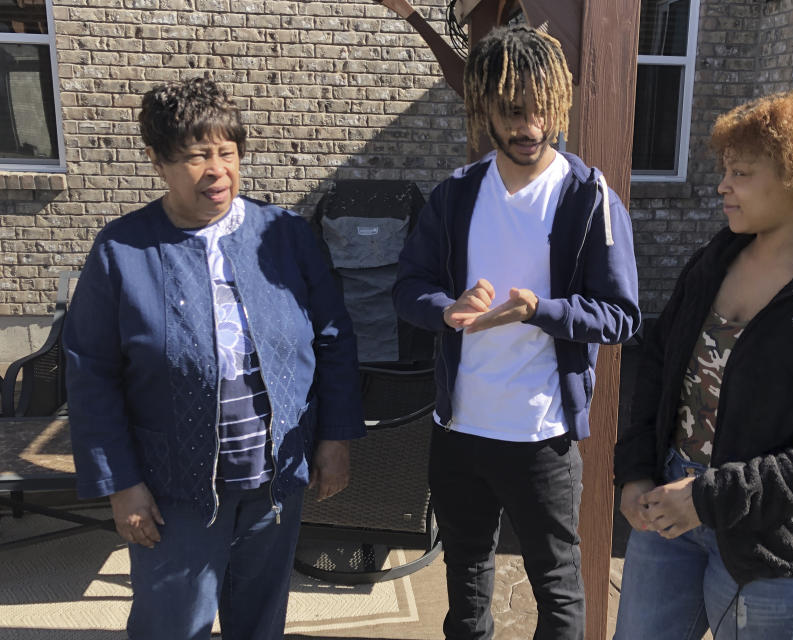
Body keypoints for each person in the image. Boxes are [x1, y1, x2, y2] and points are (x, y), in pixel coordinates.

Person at [63, 78, 365, 640]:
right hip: (172, 487)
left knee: (259, 622)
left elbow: (332, 338)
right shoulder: (121, 251)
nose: (217, 170)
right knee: (172, 625)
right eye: (197, 156)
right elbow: (91, 375)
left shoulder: (284, 235)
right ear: (157, 161)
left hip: (275, 476)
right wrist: (121, 483)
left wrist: (335, 438)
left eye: (227, 152)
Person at [613, 88, 793, 640]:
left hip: (774, 546)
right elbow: (656, 366)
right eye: (726, 170)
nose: (723, 185)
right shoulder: (710, 263)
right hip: (668, 506)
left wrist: (708, 499)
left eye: (742, 173)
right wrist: (635, 472)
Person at [393, 25, 641, 640]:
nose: (528, 126)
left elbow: (621, 316)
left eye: (541, 110)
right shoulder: (455, 195)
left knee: (557, 588)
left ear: (559, 106)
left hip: (541, 435)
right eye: (512, 111)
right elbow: (408, 288)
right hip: (458, 429)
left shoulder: (589, 197)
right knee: (466, 579)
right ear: (486, 109)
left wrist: (542, 311)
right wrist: (446, 310)